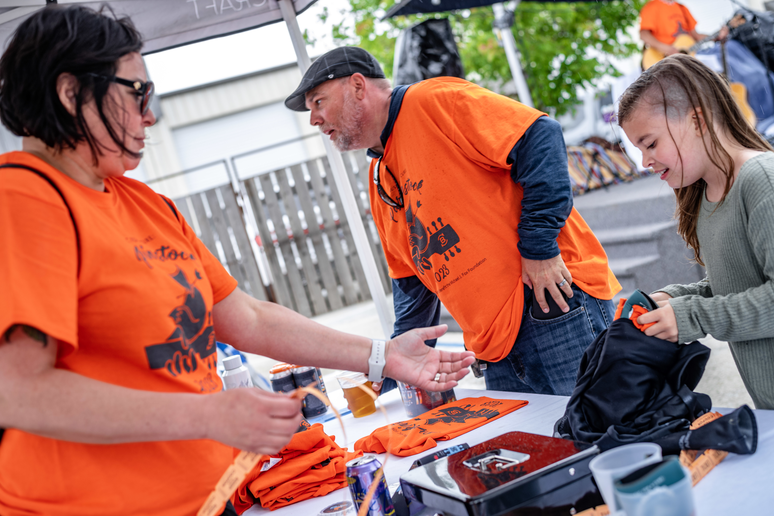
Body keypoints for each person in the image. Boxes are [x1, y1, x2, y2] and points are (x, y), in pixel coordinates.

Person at [0, 7, 475, 516]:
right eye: (138, 92)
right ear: (71, 93)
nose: (150, 114)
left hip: (210, 497)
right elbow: (18, 391)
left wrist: (384, 355)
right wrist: (205, 415)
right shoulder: (22, 198)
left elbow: (245, 317)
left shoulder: (143, 202)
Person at [284, 47, 621, 397]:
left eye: (318, 102)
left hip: (552, 304)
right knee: (544, 449)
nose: (314, 120)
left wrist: (539, 249)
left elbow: (539, 136)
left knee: (606, 431)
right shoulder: (378, 176)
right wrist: (394, 364)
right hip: (494, 350)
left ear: (357, 86)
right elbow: (411, 285)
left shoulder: (432, 101)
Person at [617, 53, 774, 410]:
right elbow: (739, 283)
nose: (645, 162)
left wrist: (692, 316)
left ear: (698, 120)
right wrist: (675, 298)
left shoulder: (761, 179)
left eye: (651, 143)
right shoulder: (705, 195)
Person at [639, 0, 729, 61]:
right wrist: (667, 49)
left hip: (687, 59)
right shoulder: (652, 6)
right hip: (664, 59)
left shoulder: (682, 8)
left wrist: (716, 36)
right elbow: (644, 35)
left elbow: (696, 36)